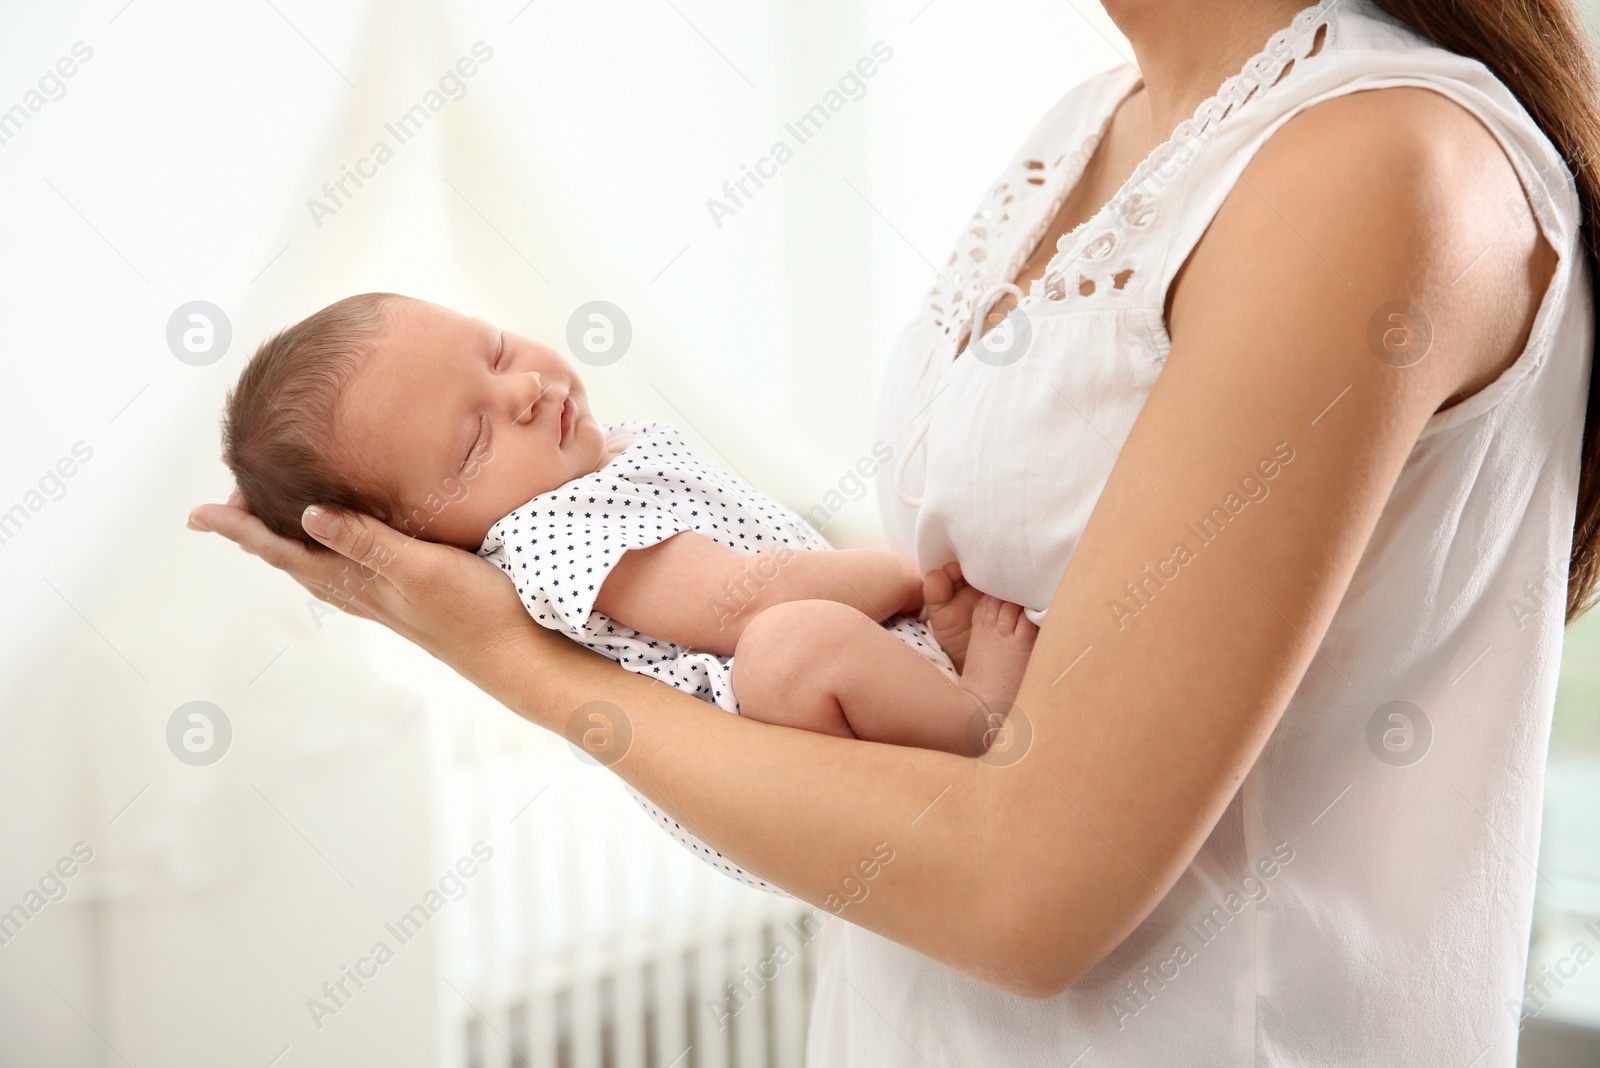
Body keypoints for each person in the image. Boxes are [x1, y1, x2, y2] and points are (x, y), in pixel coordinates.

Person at [189, 0, 1600, 1062]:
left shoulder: (1371, 164)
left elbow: (1029, 896)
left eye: (498, 354)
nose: (522, 389)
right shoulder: (1089, 130)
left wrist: (520, 672)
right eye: (467, 431)